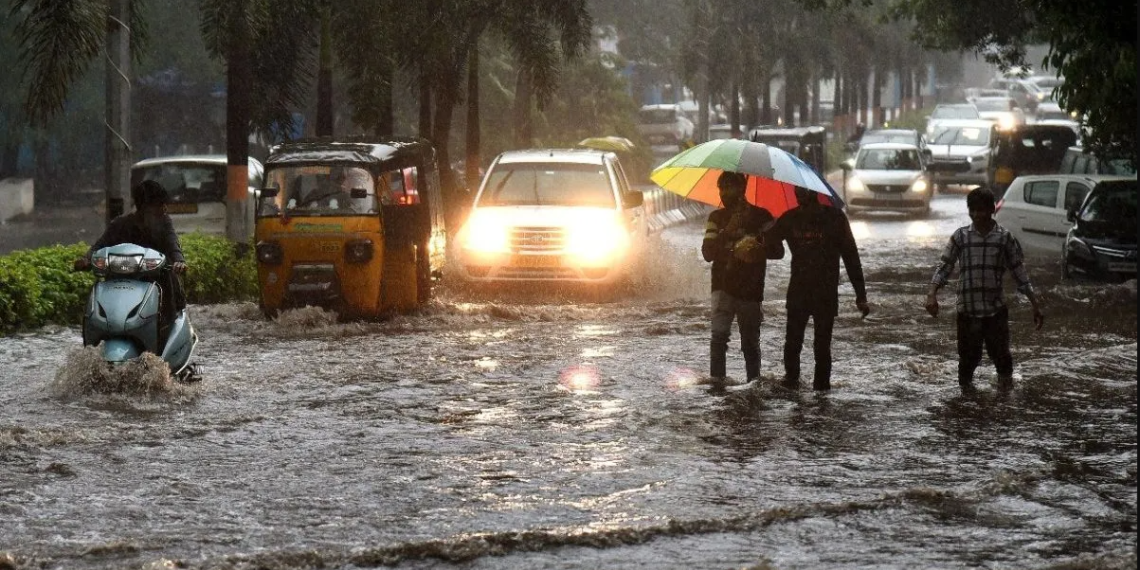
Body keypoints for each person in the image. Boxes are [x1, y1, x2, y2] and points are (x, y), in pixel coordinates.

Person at [925, 187, 1044, 392]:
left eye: (981, 210)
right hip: (967, 310)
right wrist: (932, 294)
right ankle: (967, 404)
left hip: (995, 311)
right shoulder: (960, 237)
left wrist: (1035, 304)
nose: (977, 215)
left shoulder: (1004, 238)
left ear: (992, 210)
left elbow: (1019, 272)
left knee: (1002, 359)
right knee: (967, 362)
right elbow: (945, 266)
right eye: (973, 210)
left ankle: (1004, 402)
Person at [767, 186, 870, 391]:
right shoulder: (790, 218)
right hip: (799, 291)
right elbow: (770, 244)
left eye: (802, 190)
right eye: (797, 190)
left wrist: (861, 295)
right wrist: (762, 235)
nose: (799, 193)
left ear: (814, 192)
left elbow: (851, 256)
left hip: (824, 292)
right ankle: (792, 384)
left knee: (821, 346)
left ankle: (820, 389)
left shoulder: (835, 218)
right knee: (793, 342)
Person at [74, 180, 188, 326]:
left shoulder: (164, 223)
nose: (164, 209)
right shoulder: (119, 225)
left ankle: (166, 327)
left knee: (167, 291)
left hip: (156, 279)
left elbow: (173, 244)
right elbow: (99, 245)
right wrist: (86, 259)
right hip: (120, 282)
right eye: (159, 205)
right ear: (145, 207)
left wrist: (179, 261)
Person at [701, 171, 778, 386]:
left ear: (742, 190)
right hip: (722, 287)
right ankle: (717, 384)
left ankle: (753, 384)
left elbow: (778, 250)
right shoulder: (716, 218)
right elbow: (707, 253)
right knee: (718, 338)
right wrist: (727, 232)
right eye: (721, 189)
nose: (724, 194)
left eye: (729, 188)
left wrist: (756, 243)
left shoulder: (762, 217)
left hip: (750, 289)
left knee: (750, 343)